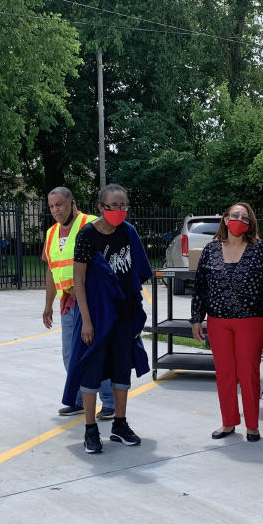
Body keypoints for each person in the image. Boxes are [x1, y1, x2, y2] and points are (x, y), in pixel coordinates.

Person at [63, 184, 152, 454]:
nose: (119, 211)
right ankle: (91, 429)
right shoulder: (87, 235)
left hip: (124, 315)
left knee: (121, 370)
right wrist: (87, 321)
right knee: (92, 370)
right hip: (98, 315)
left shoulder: (129, 232)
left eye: (124, 205)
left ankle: (120, 424)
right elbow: (78, 280)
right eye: (114, 206)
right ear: (101, 207)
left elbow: (140, 272)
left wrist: (136, 316)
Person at [190, 203, 263, 441]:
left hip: (251, 320)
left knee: (248, 372)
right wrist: (196, 319)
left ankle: (252, 425)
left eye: (245, 217)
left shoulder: (259, 248)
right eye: (235, 215)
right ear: (225, 219)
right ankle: (228, 422)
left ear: (250, 223)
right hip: (218, 320)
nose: (239, 220)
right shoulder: (210, 250)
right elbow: (200, 287)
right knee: (224, 373)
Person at [41, 186, 116, 419]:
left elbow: (108, 262)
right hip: (68, 304)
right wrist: (48, 305)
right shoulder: (51, 233)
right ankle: (78, 400)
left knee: (95, 352)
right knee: (70, 355)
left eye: (60, 204)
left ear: (72, 203)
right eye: (52, 206)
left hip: (91, 302)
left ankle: (109, 402)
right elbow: (52, 271)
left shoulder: (91, 224)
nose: (56, 210)